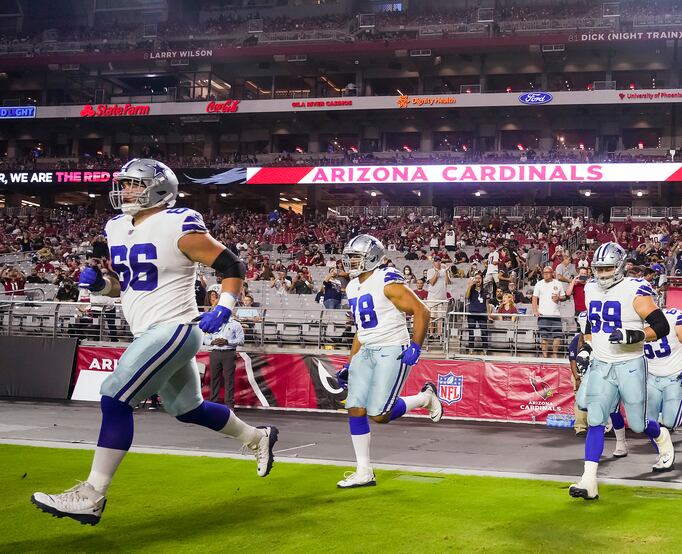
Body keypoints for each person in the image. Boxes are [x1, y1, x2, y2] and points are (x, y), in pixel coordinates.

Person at [31, 159, 278, 526]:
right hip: (149, 330)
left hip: (174, 327)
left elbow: (231, 266)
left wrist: (225, 306)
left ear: (159, 188)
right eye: (124, 183)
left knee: (115, 396)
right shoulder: (116, 226)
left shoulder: (178, 221)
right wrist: (102, 286)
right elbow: (129, 285)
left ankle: (92, 494)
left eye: (134, 184)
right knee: (187, 409)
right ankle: (257, 437)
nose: (125, 190)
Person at [337, 234, 443, 489]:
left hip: (392, 347)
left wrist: (416, 346)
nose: (350, 262)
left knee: (380, 414)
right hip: (367, 348)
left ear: (371, 257)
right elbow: (362, 331)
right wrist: (351, 362)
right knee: (355, 408)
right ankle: (364, 471)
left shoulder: (386, 279)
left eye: (356, 257)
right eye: (349, 257)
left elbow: (422, 311)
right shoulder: (352, 287)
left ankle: (425, 398)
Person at [570, 242, 671, 500]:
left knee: (637, 424)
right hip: (602, 364)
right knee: (595, 418)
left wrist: (638, 334)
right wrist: (587, 348)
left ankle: (662, 439)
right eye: (599, 269)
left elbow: (661, 326)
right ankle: (588, 480)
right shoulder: (590, 288)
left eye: (607, 269)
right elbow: (591, 323)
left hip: (630, 364)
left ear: (620, 267)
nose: (602, 275)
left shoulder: (635, 289)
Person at [640, 308, 682, 470]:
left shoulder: (672, 318)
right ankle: (664, 454)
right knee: (647, 423)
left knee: (670, 422)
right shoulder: (631, 322)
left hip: (675, 376)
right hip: (651, 377)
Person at [204, 314, 245, 409]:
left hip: (229, 353)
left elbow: (241, 340)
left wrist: (227, 342)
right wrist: (213, 342)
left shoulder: (236, 324)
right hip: (215, 353)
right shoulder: (213, 324)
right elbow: (205, 339)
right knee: (214, 379)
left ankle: (229, 405)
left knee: (229, 380)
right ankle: (213, 404)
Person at [532, 266, 566, 358]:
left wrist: (558, 298)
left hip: (555, 315)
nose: (545, 274)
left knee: (558, 336)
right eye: (544, 273)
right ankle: (545, 356)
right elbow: (534, 298)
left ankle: (555, 354)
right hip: (543, 315)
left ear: (552, 273)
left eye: (547, 273)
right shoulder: (539, 284)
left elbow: (563, 297)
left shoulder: (558, 284)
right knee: (544, 336)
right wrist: (535, 310)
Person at [465, 273, 491, 352]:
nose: (478, 280)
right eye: (476, 278)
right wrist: (470, 285)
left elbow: (487, 304)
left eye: (479, 278)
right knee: (471, 332)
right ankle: (471, 349)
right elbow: (466, 296)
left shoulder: (485, 291)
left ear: (482, 279)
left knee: (484, 332)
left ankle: (485, 350)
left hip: (482, 313)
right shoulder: (471, 289)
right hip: (472, 313)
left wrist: (488, 315)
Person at [426, 259, 451, 337]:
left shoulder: (444, 271)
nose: (438, 262)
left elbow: (447, 282)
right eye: (436, 261)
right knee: (431, 316)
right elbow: (432, 282)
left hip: (442, 297)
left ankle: (439, 334)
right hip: (432, 297)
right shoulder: (430, 271)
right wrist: (437, 272)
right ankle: (431, 334)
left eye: (439, 261)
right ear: (433, 263)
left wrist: (446, 271)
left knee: (440, 317)